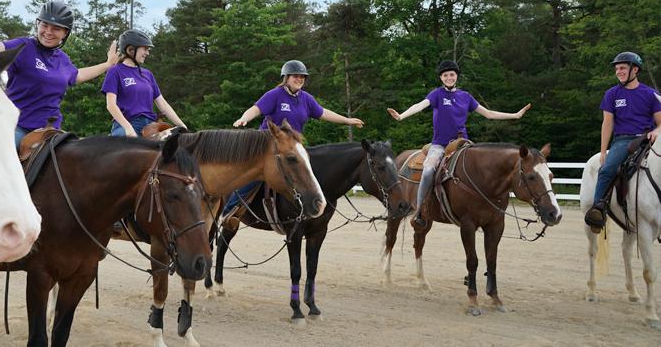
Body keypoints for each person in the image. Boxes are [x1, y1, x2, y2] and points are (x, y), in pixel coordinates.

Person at [387, 60, 531, 228]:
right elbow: (420, 105)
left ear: (456, 76)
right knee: (427, 171)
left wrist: (515, 115)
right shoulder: (436, 94)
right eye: (445, 75)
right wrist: (401, 116)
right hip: (439, 145)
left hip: (463, 144)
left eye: (452, 74)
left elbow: (489, 113)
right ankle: (420, 211)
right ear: (441, 78)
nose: (449, 77)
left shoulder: (466, 96)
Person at [0, 0, 117, 148]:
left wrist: (108, 64)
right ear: (38, 24)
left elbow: (77, 75)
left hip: (51, 131)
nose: (48, 32)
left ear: (65, 33)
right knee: (0, 159)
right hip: (18, 127)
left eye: (56, 28)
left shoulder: (62, 59)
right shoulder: (24, 47)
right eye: (45, 25)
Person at [222, 59, 365, 216]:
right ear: (286, 78)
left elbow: (323, 113)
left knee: (309, 172)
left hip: (293, 147)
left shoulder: (306, 99)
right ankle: (230, 211)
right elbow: (256, 109)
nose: (299, 79)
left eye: (302, 77)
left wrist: (347, 120)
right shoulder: (275, 95)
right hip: (268, 147)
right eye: (295, 76)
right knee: (253, 179)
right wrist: (244, 118)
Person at [584, 52, 661, 232]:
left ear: (635, 70)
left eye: (622, 68)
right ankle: (598, 210)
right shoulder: (611, 94)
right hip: (623, 141)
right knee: (606, 170)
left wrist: (656, 131)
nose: (618, 71)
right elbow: (607, 123)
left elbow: (660, 123)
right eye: (617, 68)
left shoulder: (651, 94)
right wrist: (603, 152)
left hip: (647, 139)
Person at [102, 29, 186, 137]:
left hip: (151, 127)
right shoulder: (115, 71)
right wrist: (128, 129)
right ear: (131, 50)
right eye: (145, 49)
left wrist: (183, 126)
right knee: (125, 146)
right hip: (125, 124)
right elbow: (111, 105)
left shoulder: (148, 74)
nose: (147, 53)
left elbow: (163, 104)